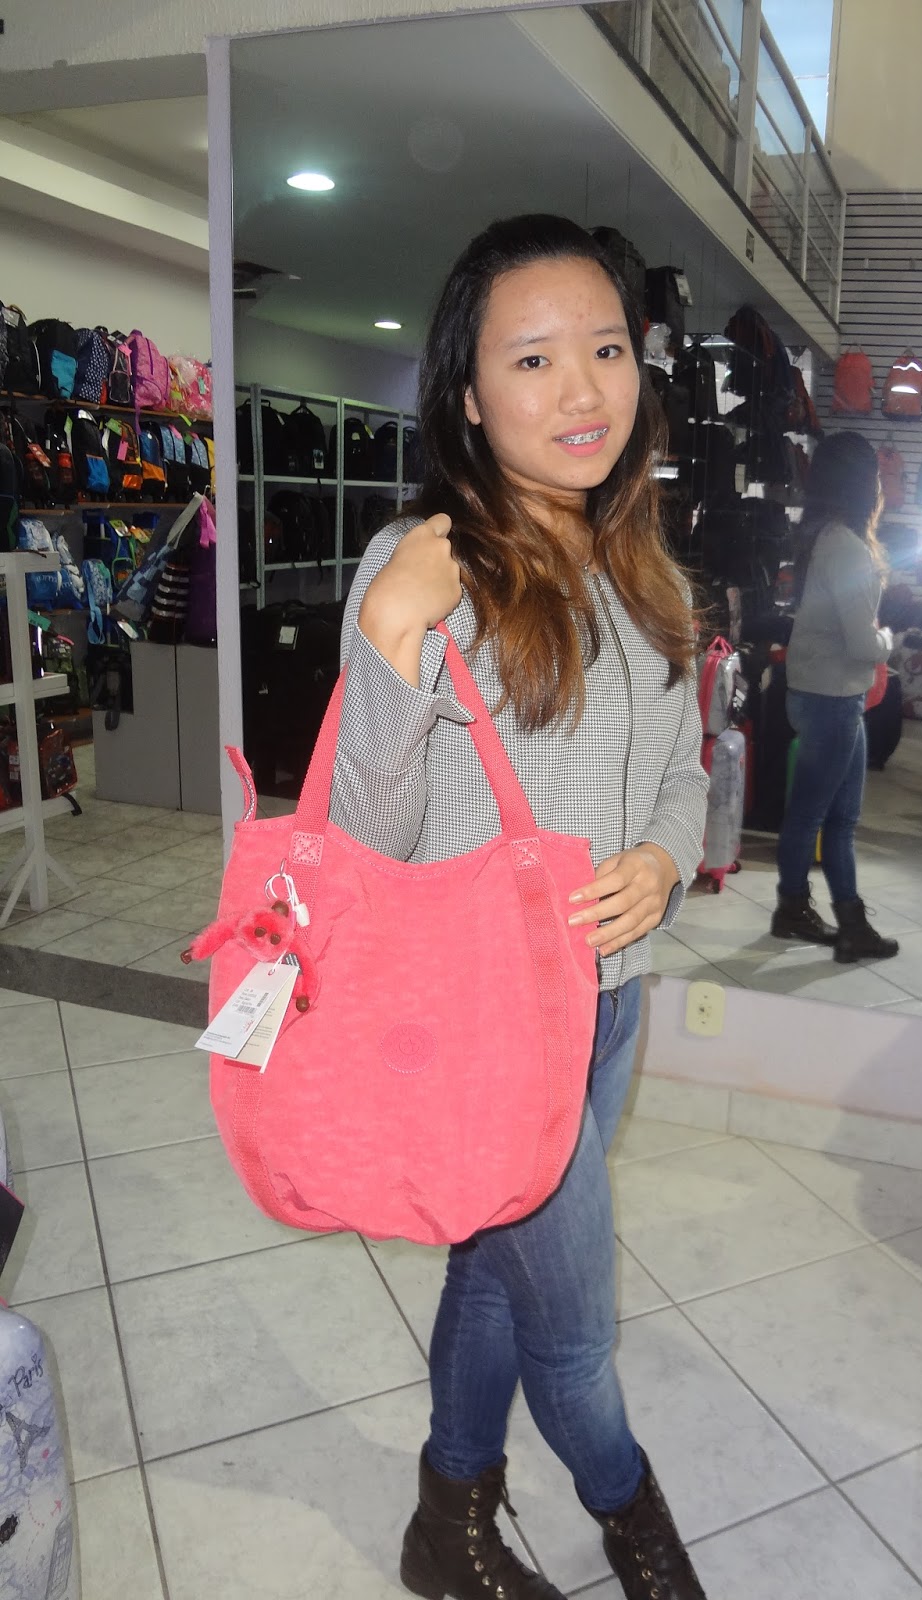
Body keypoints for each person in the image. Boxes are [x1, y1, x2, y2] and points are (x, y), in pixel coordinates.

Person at [330, 215, 710, 1600]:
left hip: (611, 1003)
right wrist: (390, 634)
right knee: (574, 1334)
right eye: (535, 358)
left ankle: (450, 1526)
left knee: (494, 1277)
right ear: (470, 393)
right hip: (490, 1028)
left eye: (605, 349)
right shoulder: (425, 565)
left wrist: (663, 859)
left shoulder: (641, 565)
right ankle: (637, 1527)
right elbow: (364, 841)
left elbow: (687, 772)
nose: (583, 389)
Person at [770, 431, 899, 963]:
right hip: (832, 699)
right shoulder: (845, 546)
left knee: (835, 817)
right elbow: (863, 642)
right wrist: (888, 641)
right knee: (817, 816)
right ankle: (800, 911)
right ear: (863, 483)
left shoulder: (827, 536)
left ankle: (846, 922)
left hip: (830, 695)